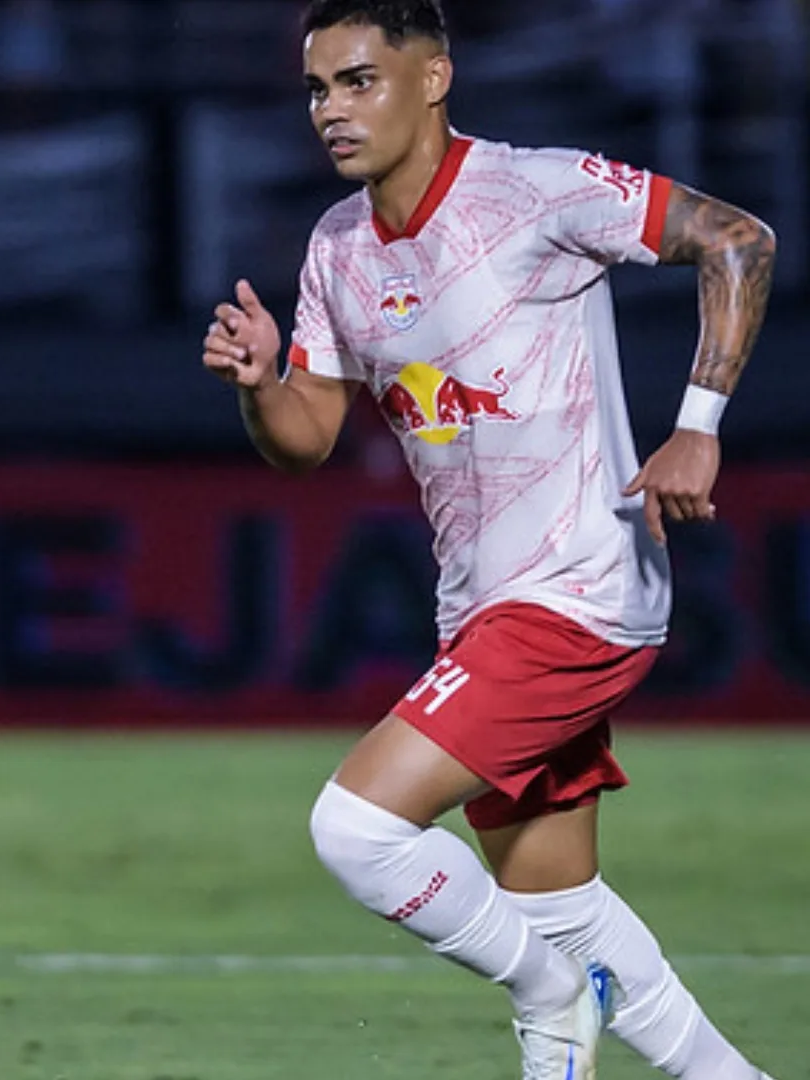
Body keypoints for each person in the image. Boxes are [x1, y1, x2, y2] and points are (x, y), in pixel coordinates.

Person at [200, 2, 777, 1077]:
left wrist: (697, 430)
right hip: (481, 606)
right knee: (555, 902)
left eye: (360, 80)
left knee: (357, 832)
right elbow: (305, 439)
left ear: (434, 79)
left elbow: (738, 240)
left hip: (577, 589)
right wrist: (259, 386)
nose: (332, 109)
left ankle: (552, 1003)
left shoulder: (536, 191)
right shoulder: (336, 248)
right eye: (318, 89)